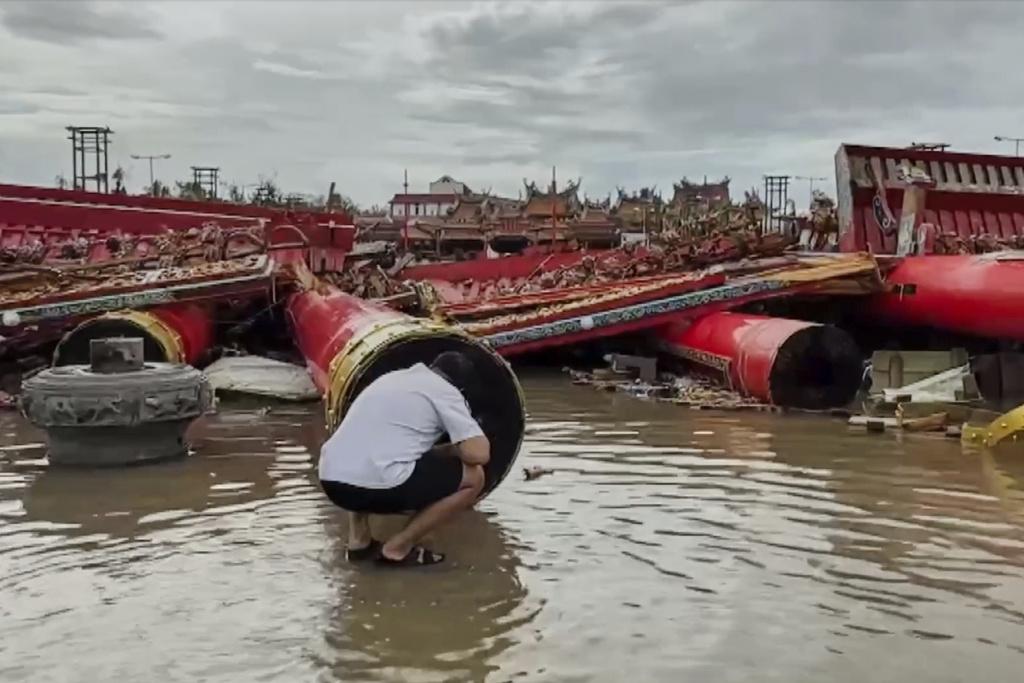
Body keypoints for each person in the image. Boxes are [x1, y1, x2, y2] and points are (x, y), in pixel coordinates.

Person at [318, 350, 490, 567]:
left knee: (367, 452)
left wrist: (443, 451)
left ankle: (358, 542)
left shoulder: (391, 379)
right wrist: (456, 448)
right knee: (475, 477)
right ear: (461, 388)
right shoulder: (446, 392)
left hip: (331, 479)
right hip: (376, 483)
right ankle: (397, 548)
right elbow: (478, 454)